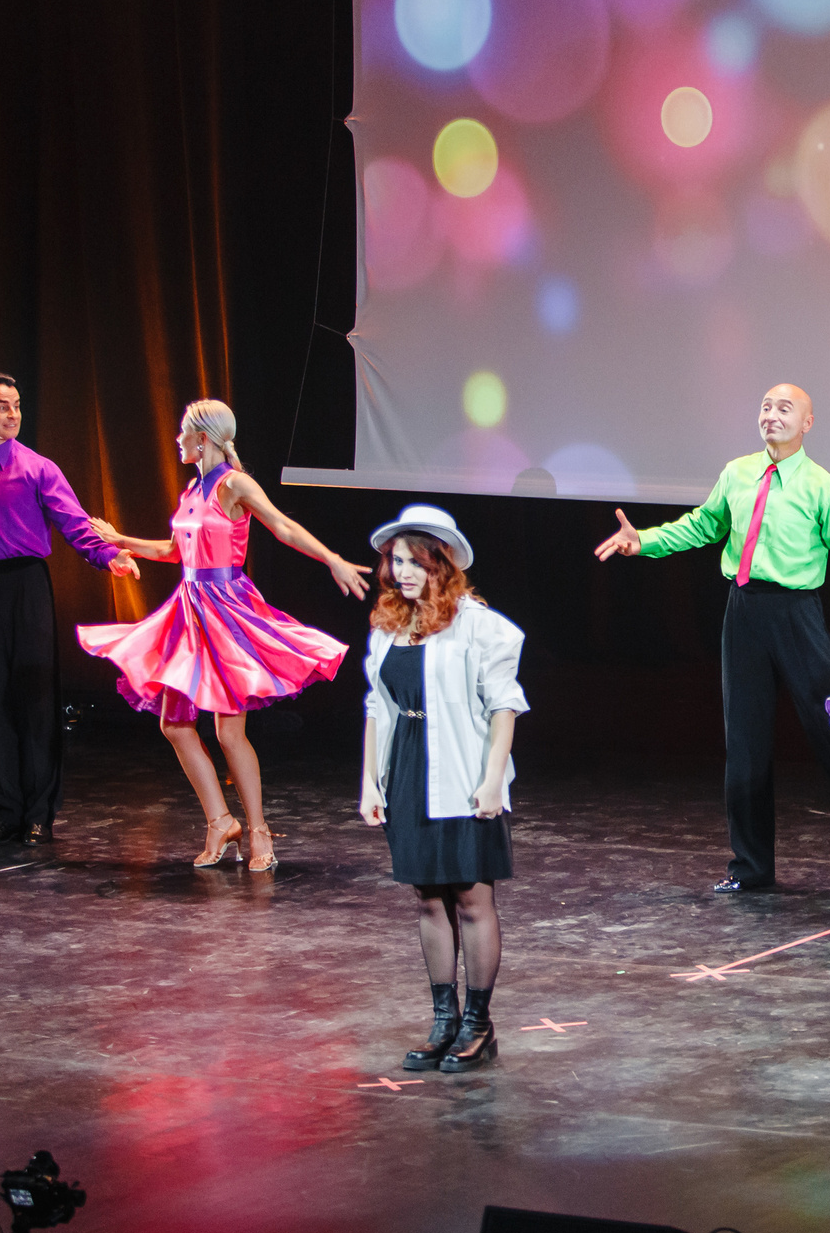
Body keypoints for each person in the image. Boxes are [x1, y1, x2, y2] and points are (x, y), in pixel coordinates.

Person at [594, 383, 830, 894]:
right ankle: (750, 868)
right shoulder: (737, 473)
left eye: (784, 408)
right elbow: (702, 525)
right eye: (766, 407)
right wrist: (644, 542)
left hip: (797, 615)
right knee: (744, 744)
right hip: (743, 611)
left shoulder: (825, 487)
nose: (771, 415)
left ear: (807, 423)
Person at [78, 400, 368, 872]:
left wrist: (331, 558)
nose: (176, 440)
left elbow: (282, 526)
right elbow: (174, 550)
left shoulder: (235, 483)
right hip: (188, 612)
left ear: (203, 439)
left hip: (226, 611)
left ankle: (258, 831)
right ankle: (219, 820)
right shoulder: (191, 489)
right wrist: (120, 540)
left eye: (182, 433)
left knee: (229, 734)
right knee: (173, 724)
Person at [0, 372, 140, 846]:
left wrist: (107, 556)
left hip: (27, 585)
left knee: (35, 703)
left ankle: (40, 814)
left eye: (16, 405)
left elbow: (74, 523)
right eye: (2, 406)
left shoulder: (39, 468)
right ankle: (8, 812)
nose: (13, 414)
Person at [357, 506, 527, 1072]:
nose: (402, 571)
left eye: (416, 561)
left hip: (461, 769)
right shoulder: (388, 626)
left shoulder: (479, 624)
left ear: (442, 564)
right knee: (429, 897)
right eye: (396, 560)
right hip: (407, 770)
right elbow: (377, 708)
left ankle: (479, 1025)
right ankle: (444, 1021)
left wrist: (489, 781)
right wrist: (370, 781)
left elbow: (504, 707)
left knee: (472, 899)